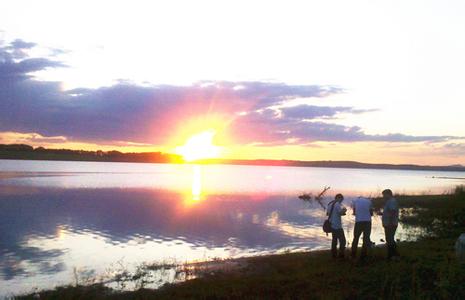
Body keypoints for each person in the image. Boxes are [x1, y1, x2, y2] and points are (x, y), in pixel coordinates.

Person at [381, 189, 400, 259]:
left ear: (388, 194)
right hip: (389, 223)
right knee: (390, 239)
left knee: (389, 239)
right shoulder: (389, 201)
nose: (383, 196)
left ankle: (392, 255)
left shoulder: (392, 201)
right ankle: (394, 254)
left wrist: (389, 223)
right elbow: (389, 211)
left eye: (384, 195)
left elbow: (392, 212)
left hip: (390, 224)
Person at [327, 193, 347, 258]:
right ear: (338, 198)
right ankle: (341, 255)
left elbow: (328, 213)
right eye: (341, 200)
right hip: (337, 225)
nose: (341, 201)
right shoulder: (337, 204)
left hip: (331, 224)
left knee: (334, 240)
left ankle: (334, 255)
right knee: (343, 241)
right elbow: (341, 212)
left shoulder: (330, 204)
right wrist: (344, 210)